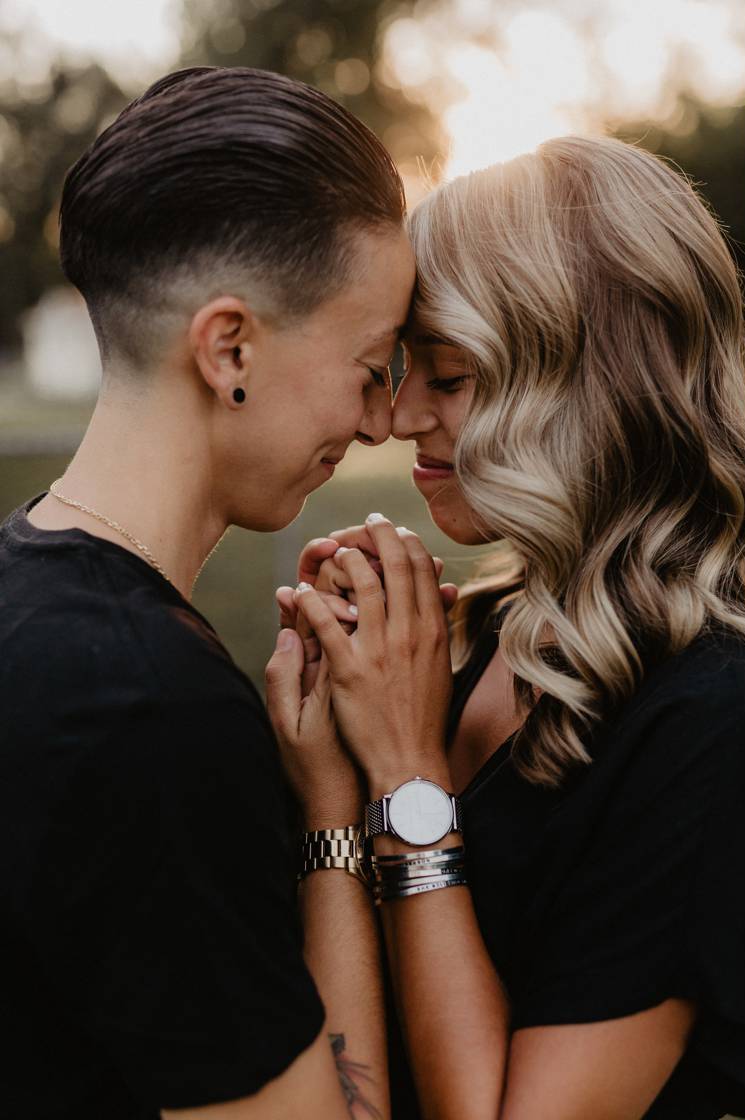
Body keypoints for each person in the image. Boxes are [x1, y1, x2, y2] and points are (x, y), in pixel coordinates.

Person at [269, 135, 745, 1118]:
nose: (399, 417)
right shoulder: (496, 620)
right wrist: (332, 790)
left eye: (447, 379)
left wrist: (407, 777)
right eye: (405, 369)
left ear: (587, 389)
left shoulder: (708, 715)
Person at [0, 68, 412, 1117]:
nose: (377, 422)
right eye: (370, 367)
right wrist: (332, 809)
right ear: (229, 348)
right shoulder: (147, 709)